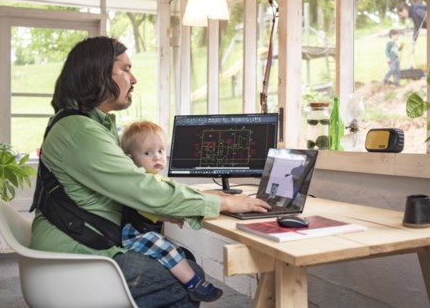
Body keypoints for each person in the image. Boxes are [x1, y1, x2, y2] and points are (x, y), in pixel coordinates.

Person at [29, 36, 271, 307]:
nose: (133, 79)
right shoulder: (81, 131)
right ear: (98, 74)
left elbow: (117, 192)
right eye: (125, 69)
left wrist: (173, 207)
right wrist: (225, 201)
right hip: (75, 259)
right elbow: (141, 187)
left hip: (81, 244)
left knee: (183, 259)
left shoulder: (84, 125)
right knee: (187, 279)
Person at [120, 120, 222, 302]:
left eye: (160, 151)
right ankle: (194, 284)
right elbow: (151, 206)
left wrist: (170, 217)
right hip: (134, 234)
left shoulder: (155, 179)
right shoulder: (142, 183)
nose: (157, 157)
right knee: (167, 250)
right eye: (147, 153)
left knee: (177, 251)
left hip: (141, 231)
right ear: (131, 159)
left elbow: (154, 209)